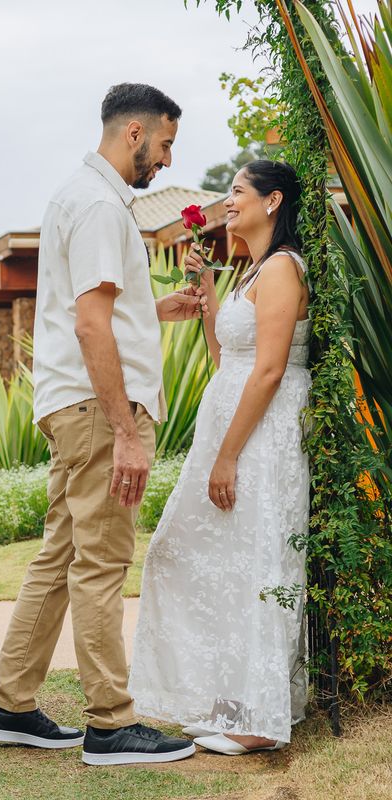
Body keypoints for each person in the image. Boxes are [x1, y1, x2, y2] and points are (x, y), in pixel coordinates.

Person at [0, 83, 207, 766]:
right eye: (165, 144)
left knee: (60, 556)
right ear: (134, 133)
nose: (166, 160)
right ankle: (110, 722)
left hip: (67, 404)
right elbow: (88, 323)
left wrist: (157, 308)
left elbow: (96, 309)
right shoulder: (104, 207)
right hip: (99, 410)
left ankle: (10, 704)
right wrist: (127, 433)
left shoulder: (76, 196)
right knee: (103, 562)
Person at [128, 159, 311, 755]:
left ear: (272, 200)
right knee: (190, 556)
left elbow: (270, 370)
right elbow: (224, 361)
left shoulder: (282, 269)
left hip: (261, 434)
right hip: (227, 429)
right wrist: (208, 295)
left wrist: (229, 456)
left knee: (257, 562)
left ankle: (258, 719)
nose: (227, 202)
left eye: (236, 192)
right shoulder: (247, 271)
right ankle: (226, 700)